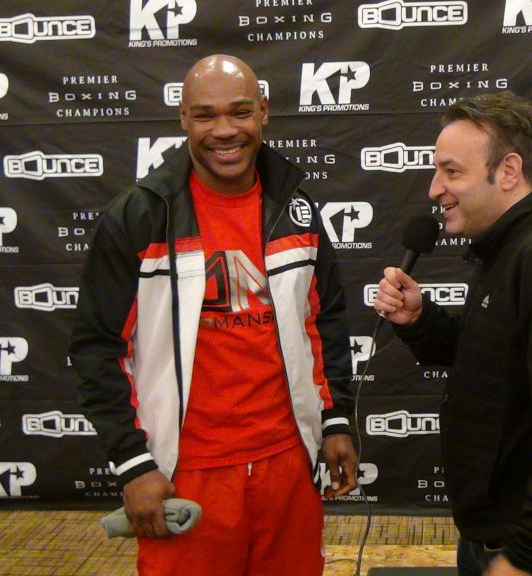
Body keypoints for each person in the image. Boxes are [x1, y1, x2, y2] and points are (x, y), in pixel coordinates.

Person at [69, 54, 358, 576]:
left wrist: (335, 419)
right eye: (205, 115)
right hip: (186, 473)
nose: (225, 130)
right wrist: (134, 464)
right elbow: (97, 348)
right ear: (183, 118)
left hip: (289, 461)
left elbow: (325, 321)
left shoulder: (296, 207)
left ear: (264, 111)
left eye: (240, 112)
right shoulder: (139, 216)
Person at [373, 92, 532, 576]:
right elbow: (491, 360)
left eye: (451, 172)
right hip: (497, 536)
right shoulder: (509, 247)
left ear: (508, 171)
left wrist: (526, 558)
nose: (434, 189)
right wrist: (421, 321)